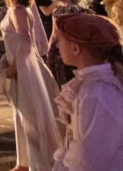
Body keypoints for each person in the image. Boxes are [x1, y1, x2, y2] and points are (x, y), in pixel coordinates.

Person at [0, 0, 61, 171]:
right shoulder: (15, 8)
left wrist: (12, 69)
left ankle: (36, 162)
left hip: (25, 70)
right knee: (22, 114)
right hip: (22, 66)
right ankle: (23, 161)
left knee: (30, 115)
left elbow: (26, 41)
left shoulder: (18, 11)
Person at [51, 12, 123, 170]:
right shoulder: (88, 86)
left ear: (75, 48)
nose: (57, 45)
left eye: (60, 40)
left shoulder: (97, 91)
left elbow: (92, 155)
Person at [41, 0, 93, 85]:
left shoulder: (78, 10)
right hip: (59, 54)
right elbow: (54, 34)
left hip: (75, 53)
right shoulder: (56, 12)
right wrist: (49, 52)